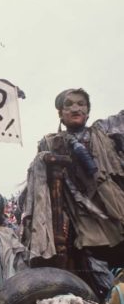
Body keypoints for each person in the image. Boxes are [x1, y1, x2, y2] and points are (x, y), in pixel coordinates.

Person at [21, 88, 124, 270]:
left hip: (112, 209)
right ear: (60, 114)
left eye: (81, 104)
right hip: (73, 215)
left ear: (88, 111)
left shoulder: (104, 131)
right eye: (68, 105)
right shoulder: (50, 142)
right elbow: (39, 184)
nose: (75, 109)